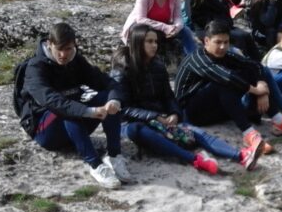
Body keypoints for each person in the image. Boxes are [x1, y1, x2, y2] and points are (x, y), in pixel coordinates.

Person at [111, 24, 261, 174]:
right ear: (137, 42)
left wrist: (174, 113)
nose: (154, 45)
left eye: (155, 41)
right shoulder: (122, 69)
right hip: (133, 122)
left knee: (196, 132)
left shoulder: (157, 66)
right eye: (149, 41)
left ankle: (241, 156)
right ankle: (195, 159)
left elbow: (168, 96)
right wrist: (154, 116)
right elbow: (123, 108)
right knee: (136, 130)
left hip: (160, 119)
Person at [173, 21, 282, 160]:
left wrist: (261, 86)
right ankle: (249, 135)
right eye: (218, 42)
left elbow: (256, 66)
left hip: (214, 108)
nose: (223, 47)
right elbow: (226, 77)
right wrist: (255, 90)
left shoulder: (224, 55)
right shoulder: (197, 58)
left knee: (248, 71)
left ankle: (279, 121)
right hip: (191, 112)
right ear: (206, 41)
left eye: (226, 42)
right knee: (223, 82)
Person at [18, 23, 129, 189]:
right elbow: (52, 101)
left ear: (74, 46)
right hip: (45, 131)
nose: (64, 54)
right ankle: (95, 165)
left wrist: (114, 101)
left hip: (76, 125)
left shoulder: (76, 61)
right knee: (67, 110)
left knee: (107, 99)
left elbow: (106, 82)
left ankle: (114, 155)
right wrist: (88, 111)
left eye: (69, 49)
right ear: (49, 44)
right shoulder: (35, 67)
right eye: (59, 49)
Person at [121, 0, 198, 57]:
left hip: (164, 26)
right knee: (139, 30)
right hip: (144, 25)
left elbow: (178, 17)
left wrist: (176, 27)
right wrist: (165, 27)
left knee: (185, 31)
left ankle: (194, 57)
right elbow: (140, 19)